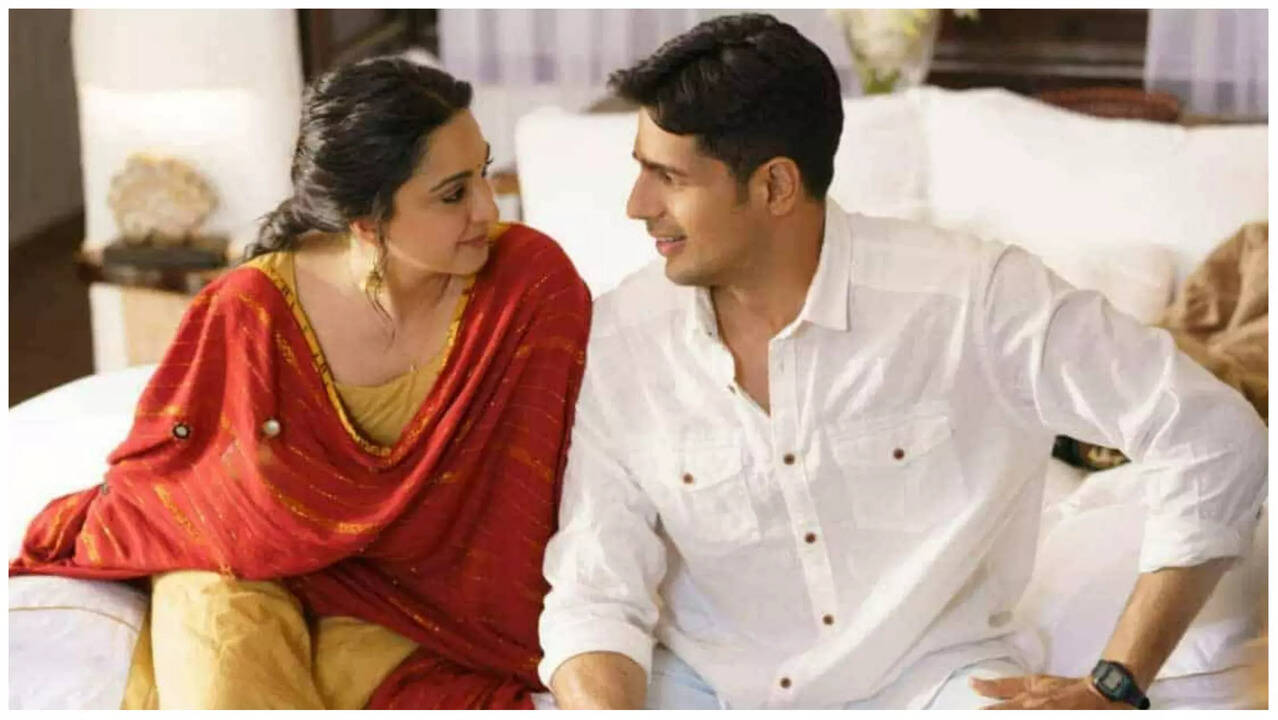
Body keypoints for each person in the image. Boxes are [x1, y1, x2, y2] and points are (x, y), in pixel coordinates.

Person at [537, 14, 1267, 710]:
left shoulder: (975, 299)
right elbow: (594, 595)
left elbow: (1214, 437)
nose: (636, 205)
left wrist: (1118, 679)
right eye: (641, 171)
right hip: (701, 688)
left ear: (775, 186)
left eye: (668, 177)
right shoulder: (620, 338)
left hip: (933, 686)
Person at [11, 56, 591, 710]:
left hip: (415, 604)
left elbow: (534, 495)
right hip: (241, 569)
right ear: (365, 220)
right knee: (219, 644)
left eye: (484, 172)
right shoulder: (251, 310)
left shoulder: (528, 285)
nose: (489, 207)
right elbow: (192, 491)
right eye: (454, 193)